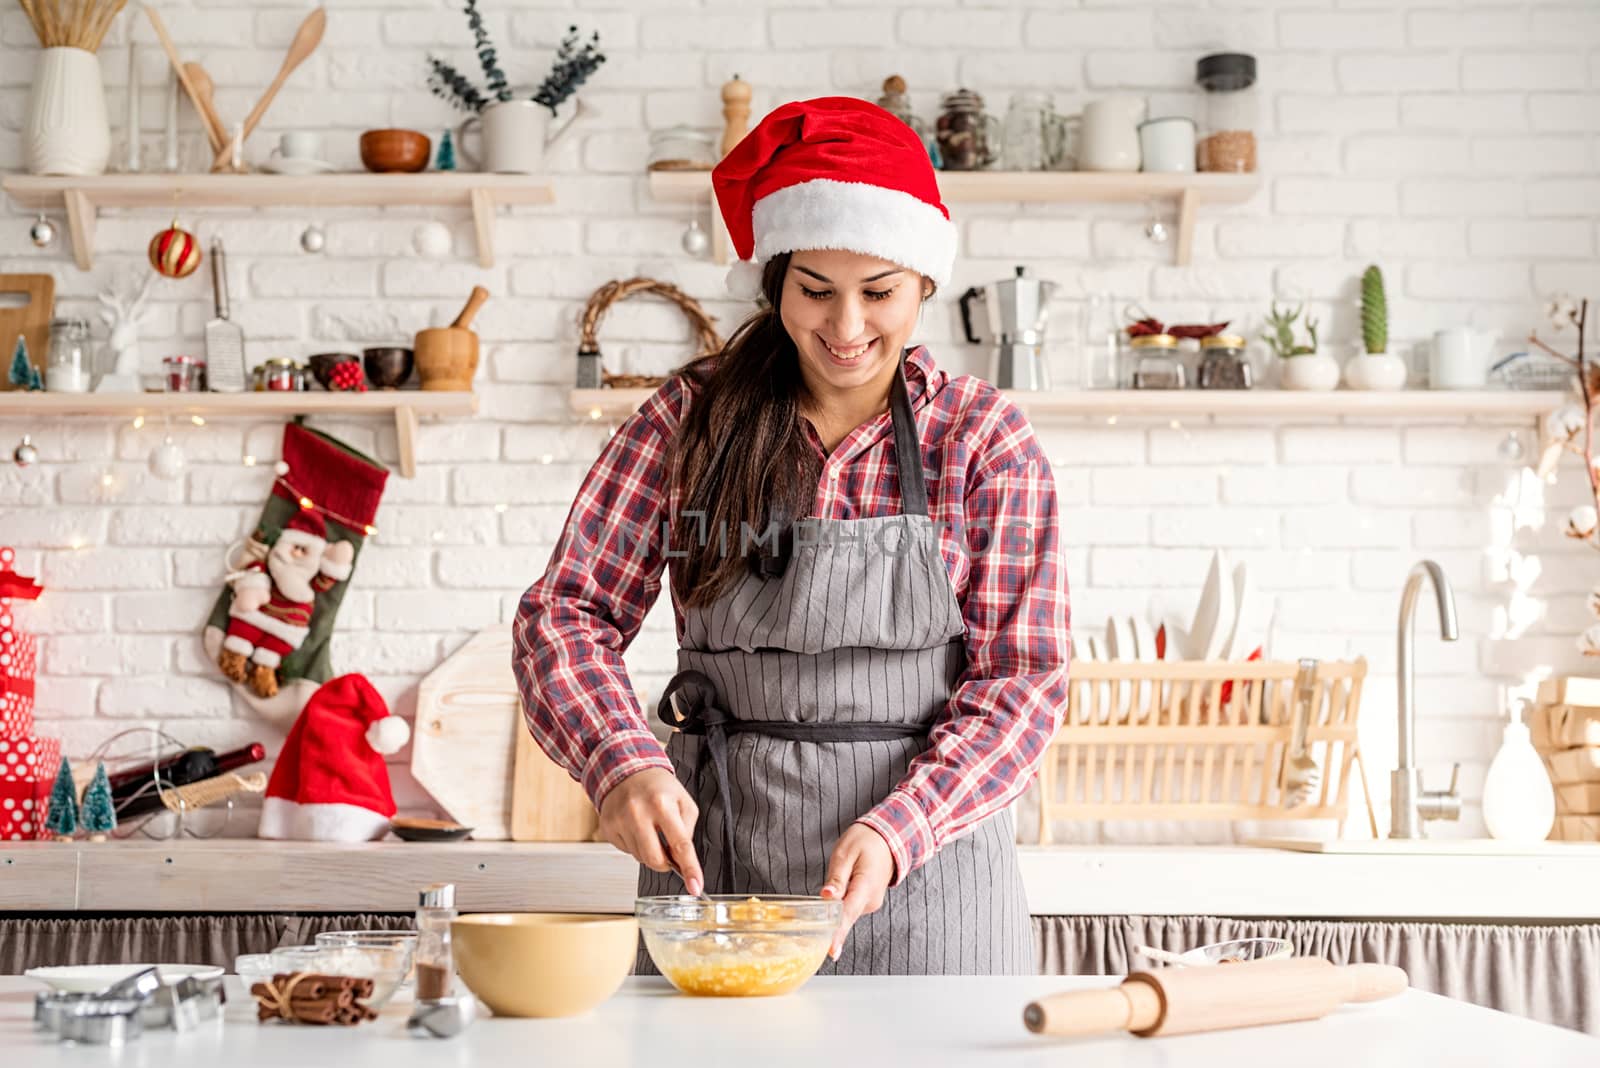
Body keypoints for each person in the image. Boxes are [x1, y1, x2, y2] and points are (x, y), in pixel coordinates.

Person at [514, 96, 1069, 974]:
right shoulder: (687, 422)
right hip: (719, 870)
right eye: (816, 291)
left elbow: (1024, 682)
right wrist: (619, 762)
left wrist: (902, 827)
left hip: (930, 883)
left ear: (924, 283)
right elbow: (566, 615)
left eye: (878, 292)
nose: (847, 330)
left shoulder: (981, 439)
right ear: (776, 283)